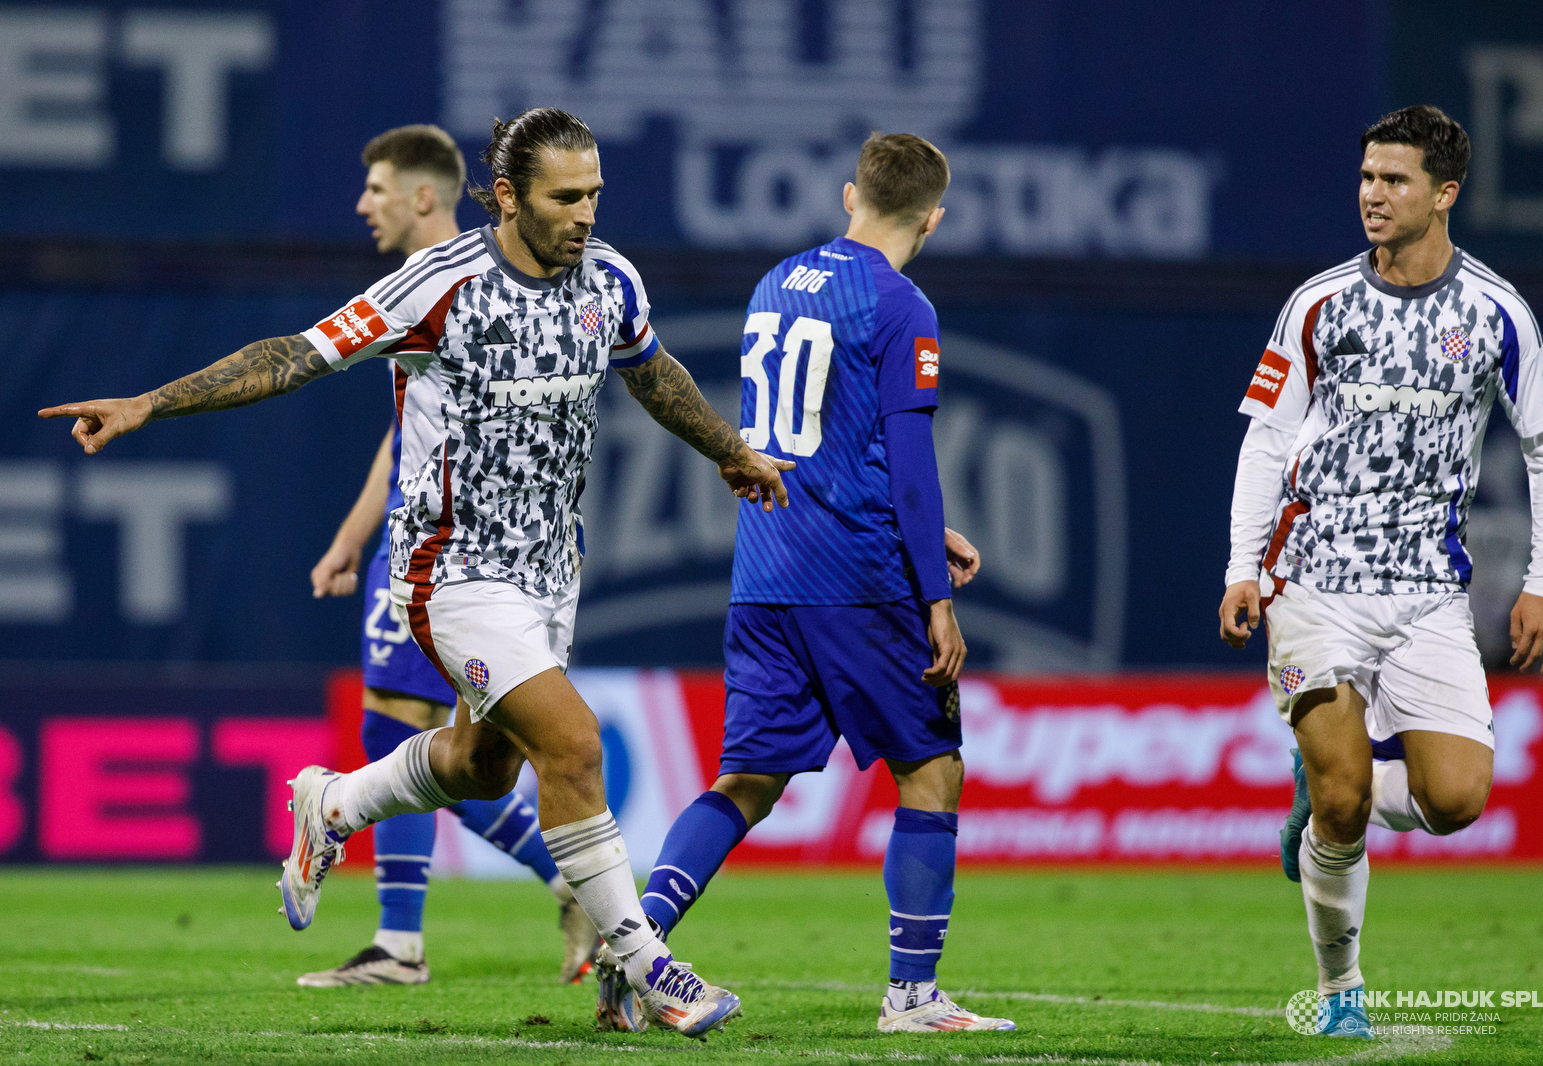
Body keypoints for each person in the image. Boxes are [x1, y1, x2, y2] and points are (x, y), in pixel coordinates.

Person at [39, 107, 793, 1040]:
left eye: (595, 193)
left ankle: (336, 801)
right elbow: (292, 357)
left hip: (552, 572)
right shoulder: (437, 284)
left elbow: (654, 373)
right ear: (508, 196)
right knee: (575, 746)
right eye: (566, 197)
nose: (586, 214)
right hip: (453, 576)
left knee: (483, 768)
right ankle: (649, 968)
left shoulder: (613, 280)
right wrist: (151, 402)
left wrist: (731, 450)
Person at [592, 132, 1015, 1035]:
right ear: (933, 219)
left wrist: (922, 531)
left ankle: (635, 949)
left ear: (847, 193)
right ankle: (912, 996)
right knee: (932, 769)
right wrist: (935, 593)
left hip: (767, 570)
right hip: (858, 576)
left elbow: (815, 438)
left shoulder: (775, 283)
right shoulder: (902, 305)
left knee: (746, 778)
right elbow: (906, 462)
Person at [1218, 105, 1543, 1038]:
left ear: (1444, 194)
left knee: (1455, 802)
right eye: (1368, 176)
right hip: (1316, 577)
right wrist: (1242, 567)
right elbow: (1268, 441)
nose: (1373, 195)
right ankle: (1341, 991)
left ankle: (1319, 791)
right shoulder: (1320, 302)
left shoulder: (1496, 311)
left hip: (1429, 595)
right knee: (1342, 800)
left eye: (1396, 180)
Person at [297, 123, 599, 990]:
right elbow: (404, 441)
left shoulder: (457, 281)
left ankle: (405, 942)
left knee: (412, 730)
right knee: (455, 748)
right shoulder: (433, 289)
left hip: (463, 556)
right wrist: (353, 538)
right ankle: (543, 889)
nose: (364, 206)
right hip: (433, 542)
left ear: (425, 196)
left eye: (379, 190)